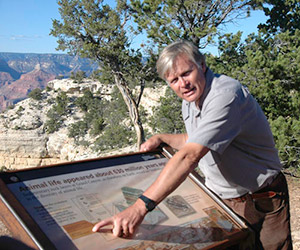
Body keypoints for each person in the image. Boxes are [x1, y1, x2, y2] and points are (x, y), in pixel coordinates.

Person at [92, 40, 292, 249]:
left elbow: (190, 155)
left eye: (186, 73)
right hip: (225, 200)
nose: (182, 84)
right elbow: (196, 139)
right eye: (174, 80)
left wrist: (139, 208)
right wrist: (163, 138)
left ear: (202, 66)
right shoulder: (190, 99)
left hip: (261, 198)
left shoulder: (225, 95)